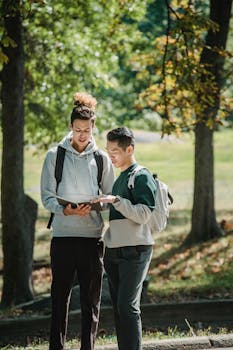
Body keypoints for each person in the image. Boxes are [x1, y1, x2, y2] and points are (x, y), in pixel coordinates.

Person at [40, 92, 114, 350]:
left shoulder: (101, 159)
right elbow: (47, 197)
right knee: (59, 300)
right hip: (62, 237)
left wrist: (97, 203)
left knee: (90, 303)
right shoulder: (54, 156)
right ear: (71, 127)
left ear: (93, 129)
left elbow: (109, 198)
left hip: (92, 239)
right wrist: (67, 211)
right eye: (78, 129)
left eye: (87, 130)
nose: (82, 135)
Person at [93, 127, 157, 350]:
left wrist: (117, 201)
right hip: (114, 251)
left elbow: (144, 214)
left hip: (136, 250)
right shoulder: (120, 178)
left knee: (127, 306)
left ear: (129, 149)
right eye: (108, 150)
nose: (110, 155)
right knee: (120, 308)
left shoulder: (141, 176)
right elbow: (118, 216)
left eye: (115, 151)